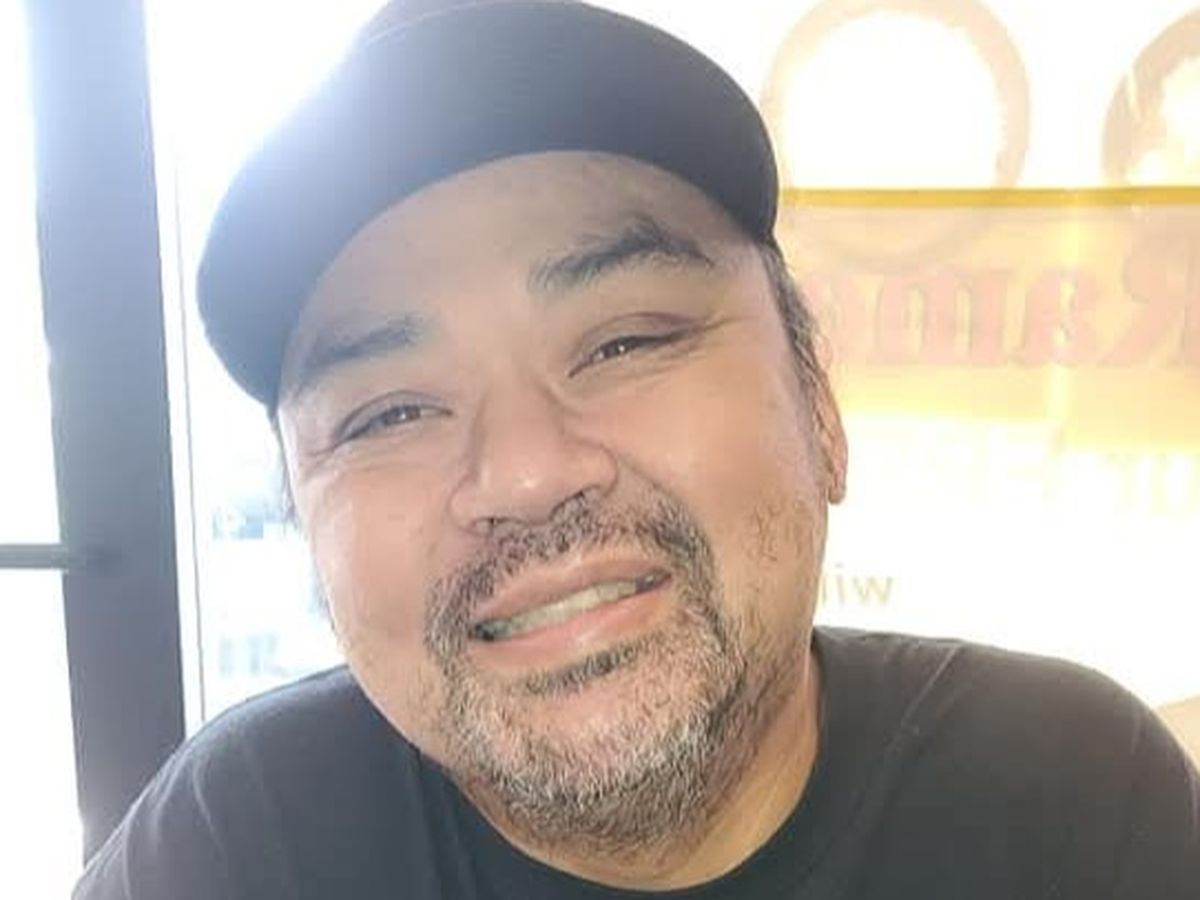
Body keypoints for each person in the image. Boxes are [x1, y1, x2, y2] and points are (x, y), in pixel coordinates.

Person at [75, 2, 1200, 897]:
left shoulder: (1069, 798)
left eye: (624, 342)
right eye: (389, 415)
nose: (524, 473)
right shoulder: (246, 842)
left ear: (819, 405)